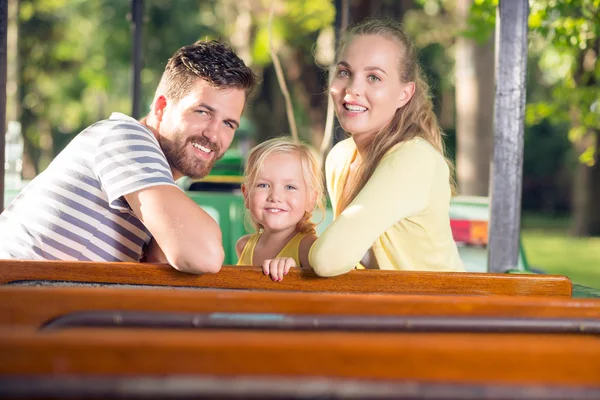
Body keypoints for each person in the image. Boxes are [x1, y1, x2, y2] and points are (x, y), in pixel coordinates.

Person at [0, 40, 258, 274]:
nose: (214, 135)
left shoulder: (155, 176)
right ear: (161, 107)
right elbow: (203, 256)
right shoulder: (126, 138)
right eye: (203, 112)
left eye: (228, 124)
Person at [309, 18, 464, 276]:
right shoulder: (341, 157)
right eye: (345, 72)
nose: (353, 89)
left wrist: (301, 249)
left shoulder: (414, 158)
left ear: (405, 94)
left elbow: (328, 259)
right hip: (389, 311)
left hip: (442, 312)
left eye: (374, 77)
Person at [236, 137, 324, 281]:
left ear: (311, 200)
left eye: (290, 187)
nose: (275, 196)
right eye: (263, 185)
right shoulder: (243, 246)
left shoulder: (309, 248)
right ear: (246, 195)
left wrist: (296, 271)